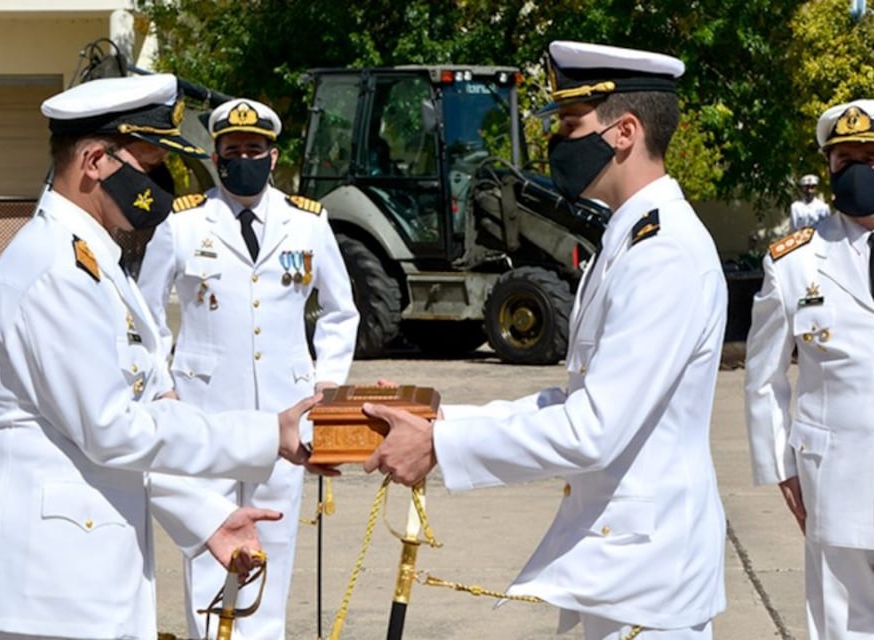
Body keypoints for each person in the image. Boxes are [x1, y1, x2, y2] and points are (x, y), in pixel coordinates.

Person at [0, 74, 330, 640]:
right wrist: (268, 435)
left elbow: (147, 413)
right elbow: (113, 429)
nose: (162, 188)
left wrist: (206, 517)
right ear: (95, 160)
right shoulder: (56, 271)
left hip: (84, 581)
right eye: (149, 168)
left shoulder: (97, 264)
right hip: (48, 588)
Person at [363, 41, 728, 639]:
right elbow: (571, 404)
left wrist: (440, 448)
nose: (557, 143)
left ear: (624, 132)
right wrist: (437, 417)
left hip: (649, 577)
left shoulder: (665, 255)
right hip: (624, 565)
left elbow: (594, 430)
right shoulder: (628, 241)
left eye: (569, 123)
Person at [137, 98, 359, 639]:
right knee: (209, 541)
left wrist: (328, 382)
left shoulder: (307, 222)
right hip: (204, 414)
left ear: (272, 156)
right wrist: (161, 388)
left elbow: (340, 310)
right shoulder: (183, 222)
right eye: (232, 150)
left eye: (253, 150)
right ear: (215, 157)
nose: (243, 158)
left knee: (274, 545)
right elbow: (144, 318)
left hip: (285, 413)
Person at [745, 99, 874, 640]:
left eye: (871, 156)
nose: (860, 170)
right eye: (846, 160)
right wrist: (780, 465)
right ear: (828, 170)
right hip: (836, 479)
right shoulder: (794, 260)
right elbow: (762, 376)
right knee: (845, 628)